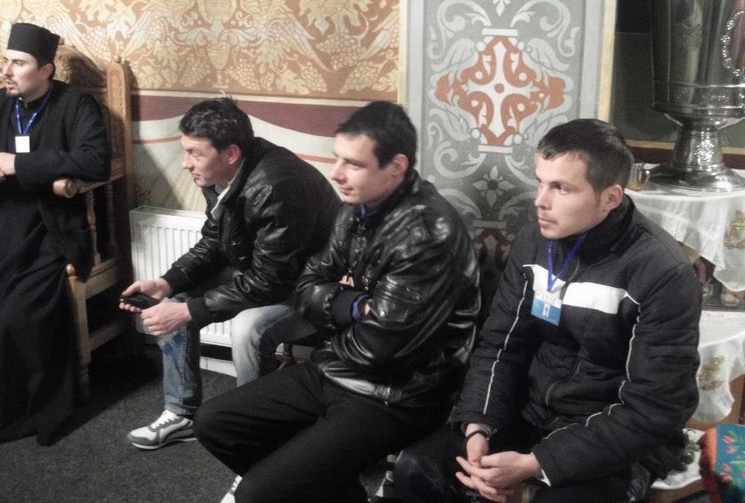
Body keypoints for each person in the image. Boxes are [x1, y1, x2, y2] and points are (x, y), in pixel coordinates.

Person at [392, 119, 701, 503]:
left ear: (610, 198)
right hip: (531, 412)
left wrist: (537, 464)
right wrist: (478, 427)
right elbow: (501, 346)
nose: (540, 200)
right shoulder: (535, 242)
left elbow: (651, 409)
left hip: (612, 437)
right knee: (418, 469)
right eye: (541, 182)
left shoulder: (662, 271)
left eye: (561, 188)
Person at [193, 100, 482, 503]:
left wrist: (334, 310)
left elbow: (377, 349)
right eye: (337, 159)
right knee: (213, 422)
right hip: (338, 368)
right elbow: (307, 285)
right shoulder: (358, 209)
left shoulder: (425, 237)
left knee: (256, 495)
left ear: (396, 167)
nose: (337, 173)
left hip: (398, 394)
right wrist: (357, 306)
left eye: (354, 164)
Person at [121, 96, 340, 450]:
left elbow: (270, 283)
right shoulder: (218, 174)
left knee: (248, 329)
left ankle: (256, 437)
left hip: (314, 285)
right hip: (268, 271)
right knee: (173, 300)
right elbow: (214, 242)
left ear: (231, 153)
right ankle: (181, 414)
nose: (185, 163)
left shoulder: (276, 186)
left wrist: (190, 311)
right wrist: (166, 283)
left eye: (194, 153)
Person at [0, 22, 110, 447]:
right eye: (6, 61)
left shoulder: (74, 105)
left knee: (18, 315)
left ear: (46, 70)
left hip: (54, 233)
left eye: (18, 63)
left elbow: (95, 161)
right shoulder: (1, 104)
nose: (6, 71)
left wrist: (17, 164)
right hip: (7, 233)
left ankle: (26, 410)